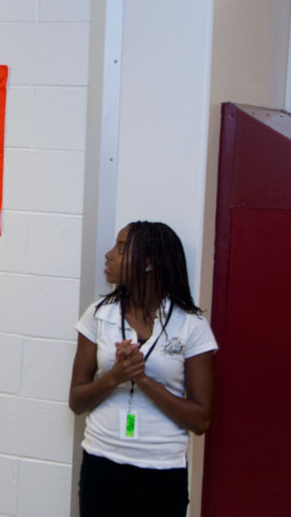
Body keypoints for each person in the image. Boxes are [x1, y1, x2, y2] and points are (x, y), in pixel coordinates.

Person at [68, 221, 218, 517]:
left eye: (121, 249)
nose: (108, 255)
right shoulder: (99, 314)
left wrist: (142, 379)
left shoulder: (190, 325)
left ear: (149, 262)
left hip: (161, 471)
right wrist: (115, 376)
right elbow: (77, 401)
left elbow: (200, 421)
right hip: (101, 463)